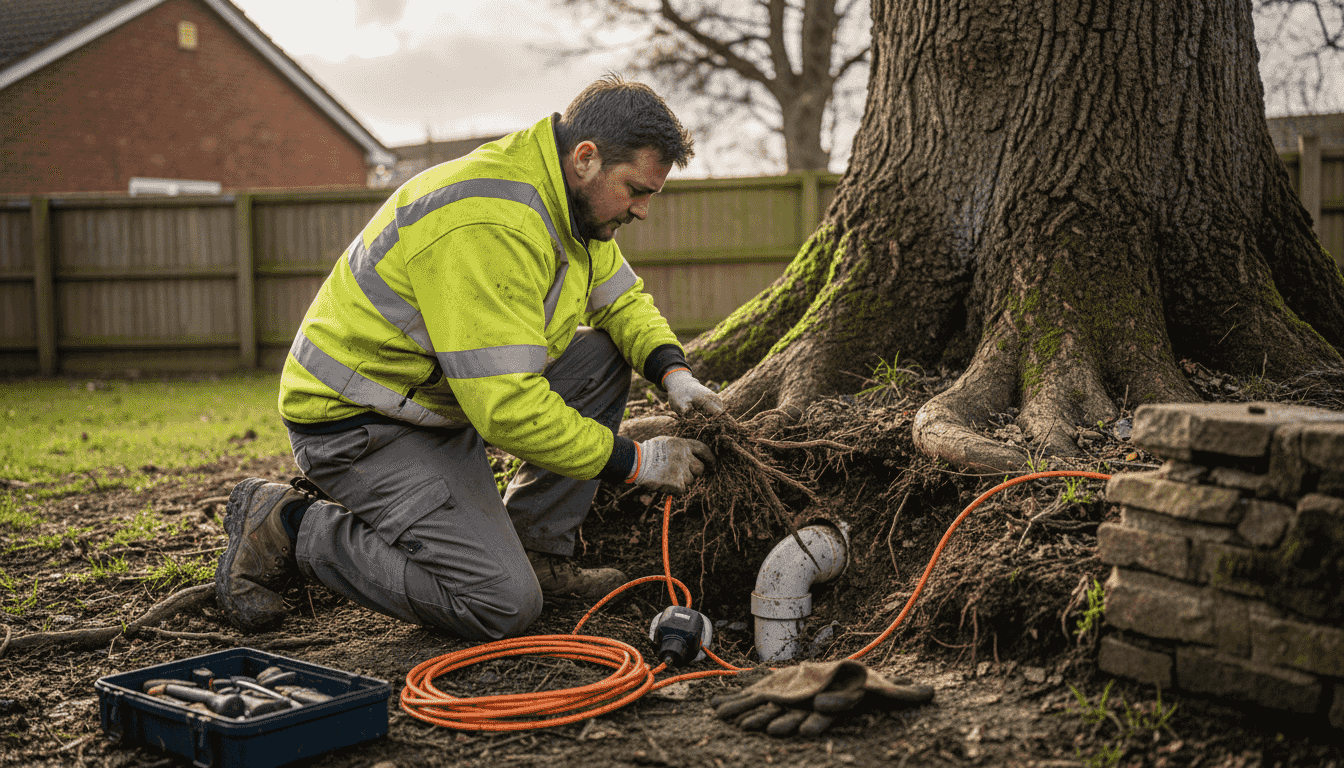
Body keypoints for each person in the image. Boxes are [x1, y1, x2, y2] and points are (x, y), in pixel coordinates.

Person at [215, 76, 723, 639]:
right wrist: (636, 461)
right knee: (500, 604)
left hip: (438, 400)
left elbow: (620, 299)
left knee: (603, 354)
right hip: (361, 423)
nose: (643, 210)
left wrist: (674, 374)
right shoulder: (490, 220)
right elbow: (505, 407)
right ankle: (290, 525)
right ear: (586, 158)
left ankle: (535, 550)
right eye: (636, 190)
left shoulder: (570, 208)